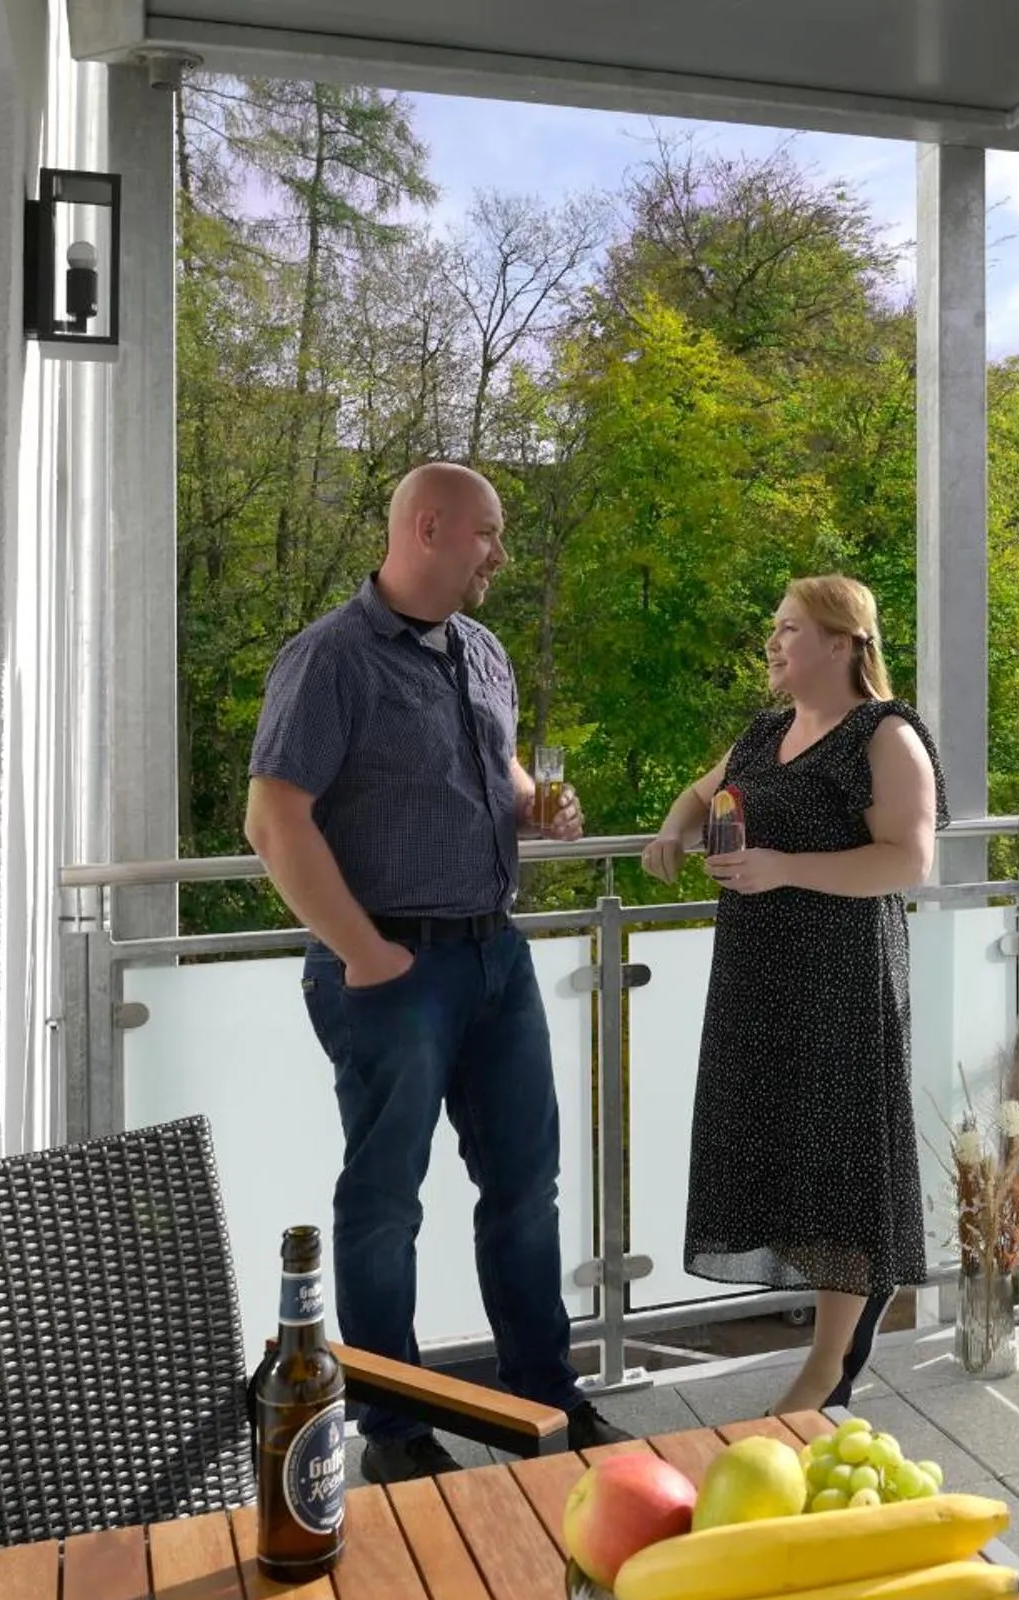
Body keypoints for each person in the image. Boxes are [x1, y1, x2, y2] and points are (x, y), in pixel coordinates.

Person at [245, 461, 629, 1480]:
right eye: (488, 533)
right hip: (392, 967)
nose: (499, 552)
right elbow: (273, 818)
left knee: (523, 1186)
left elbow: (496, 770)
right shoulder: (329, 660)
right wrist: (365, 951)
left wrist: (534, 805)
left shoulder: (482, 649)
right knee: (385, 1203)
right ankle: (394, 1430)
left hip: (494, 953)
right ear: (428, 526)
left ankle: (541, 1400)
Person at [642, 574, 949, 1414]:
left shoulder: (885, 735)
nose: (773, 643)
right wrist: (673, 830)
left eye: (789, 630)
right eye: (773, 629)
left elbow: (908, 861)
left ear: (845, 642)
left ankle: (825, 1370)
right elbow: (701, 795)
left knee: (838, 1163)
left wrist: (783, 870)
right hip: (757, 984)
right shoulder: (766, 729)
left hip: (841, 983)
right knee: (784, 1154)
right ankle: (832, 1345)